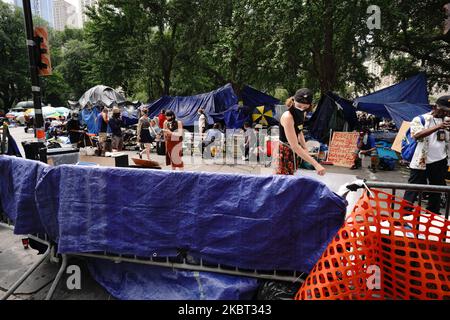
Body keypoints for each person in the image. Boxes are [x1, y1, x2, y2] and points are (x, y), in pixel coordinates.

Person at [403, 96, 450, 214]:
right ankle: (404, 216)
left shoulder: (447, 121)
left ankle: (432, 215)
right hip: (421, 161)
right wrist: (439, 126)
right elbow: (417, 135)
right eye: (443, 110)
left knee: (437, 190)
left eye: (448, 111)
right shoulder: (420, 119)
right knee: (413, 189)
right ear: (434, 107)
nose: (445, 113)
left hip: (440, 161)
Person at [275, 88, 326, 176]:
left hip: (295, 150)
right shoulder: (288, 117)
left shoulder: (302, 113)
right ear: (293, 101)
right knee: (283, 179)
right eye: (299, 106)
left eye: (305, 107)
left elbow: (299, 131)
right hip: (285, 150)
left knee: (292, 176)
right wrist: (316, 164)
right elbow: (294, 146)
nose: (301, 109)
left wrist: (305, 147)